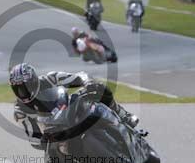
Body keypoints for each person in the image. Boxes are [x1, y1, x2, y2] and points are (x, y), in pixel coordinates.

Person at [9, 63, 139, 150]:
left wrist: (87, 82)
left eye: (25, 87)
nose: (22, 92)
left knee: (100, 89)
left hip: (67, 108)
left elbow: (79, 76)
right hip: (55, 133)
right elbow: (33, 138)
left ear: (33, 81)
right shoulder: (20, 110)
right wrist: (43, 140)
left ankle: (124, 116)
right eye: (18, 89)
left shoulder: (50, 79)